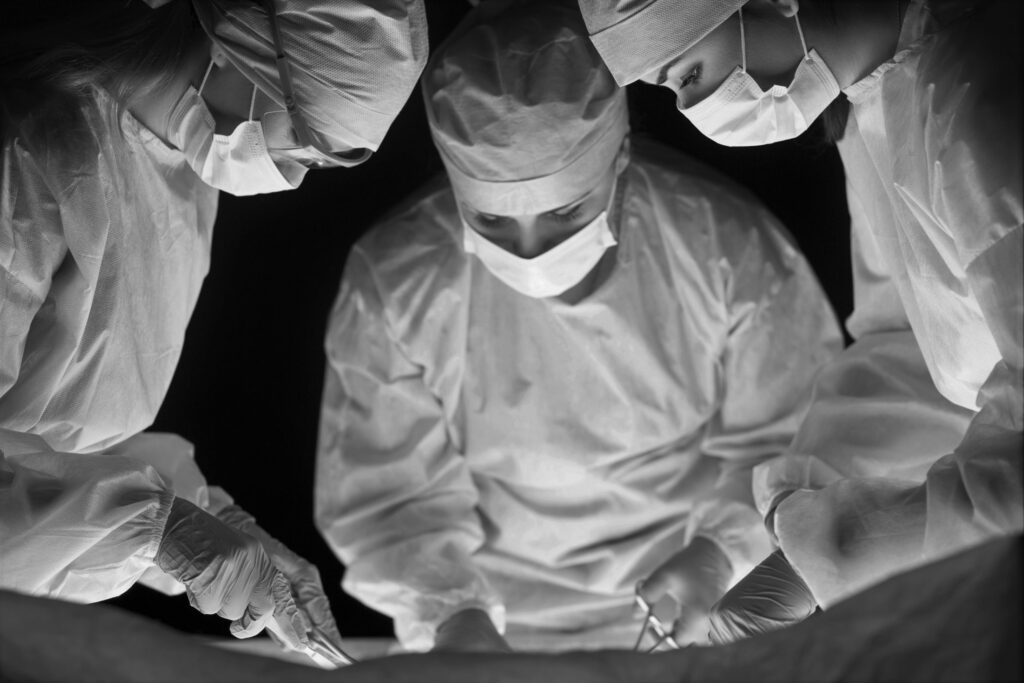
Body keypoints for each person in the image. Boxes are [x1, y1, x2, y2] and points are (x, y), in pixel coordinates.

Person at [315, 0, 841, 653]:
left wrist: (720, 551)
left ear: (619, 158)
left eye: (565, 213)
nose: (532, 250)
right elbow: (389, 498)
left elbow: (799, 435)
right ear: (455, 190)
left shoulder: (723, 246)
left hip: (700, 601)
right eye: (495, 221)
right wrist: (455, 616)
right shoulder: (398, 281)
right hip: (490, 619)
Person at [578, 0, 1023, 641]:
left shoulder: (979, 92)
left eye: (687, 76)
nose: (688, 112)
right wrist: (796, 523)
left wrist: (842, 550)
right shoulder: (878, 101)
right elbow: (909, 347)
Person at [0, 0, 427, 656]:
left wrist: (208, 517)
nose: (291, 171)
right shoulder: (31, 149)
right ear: (240, 50)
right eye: (306, 141)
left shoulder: (179, 174)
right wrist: (156, 527)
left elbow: (57, 434)